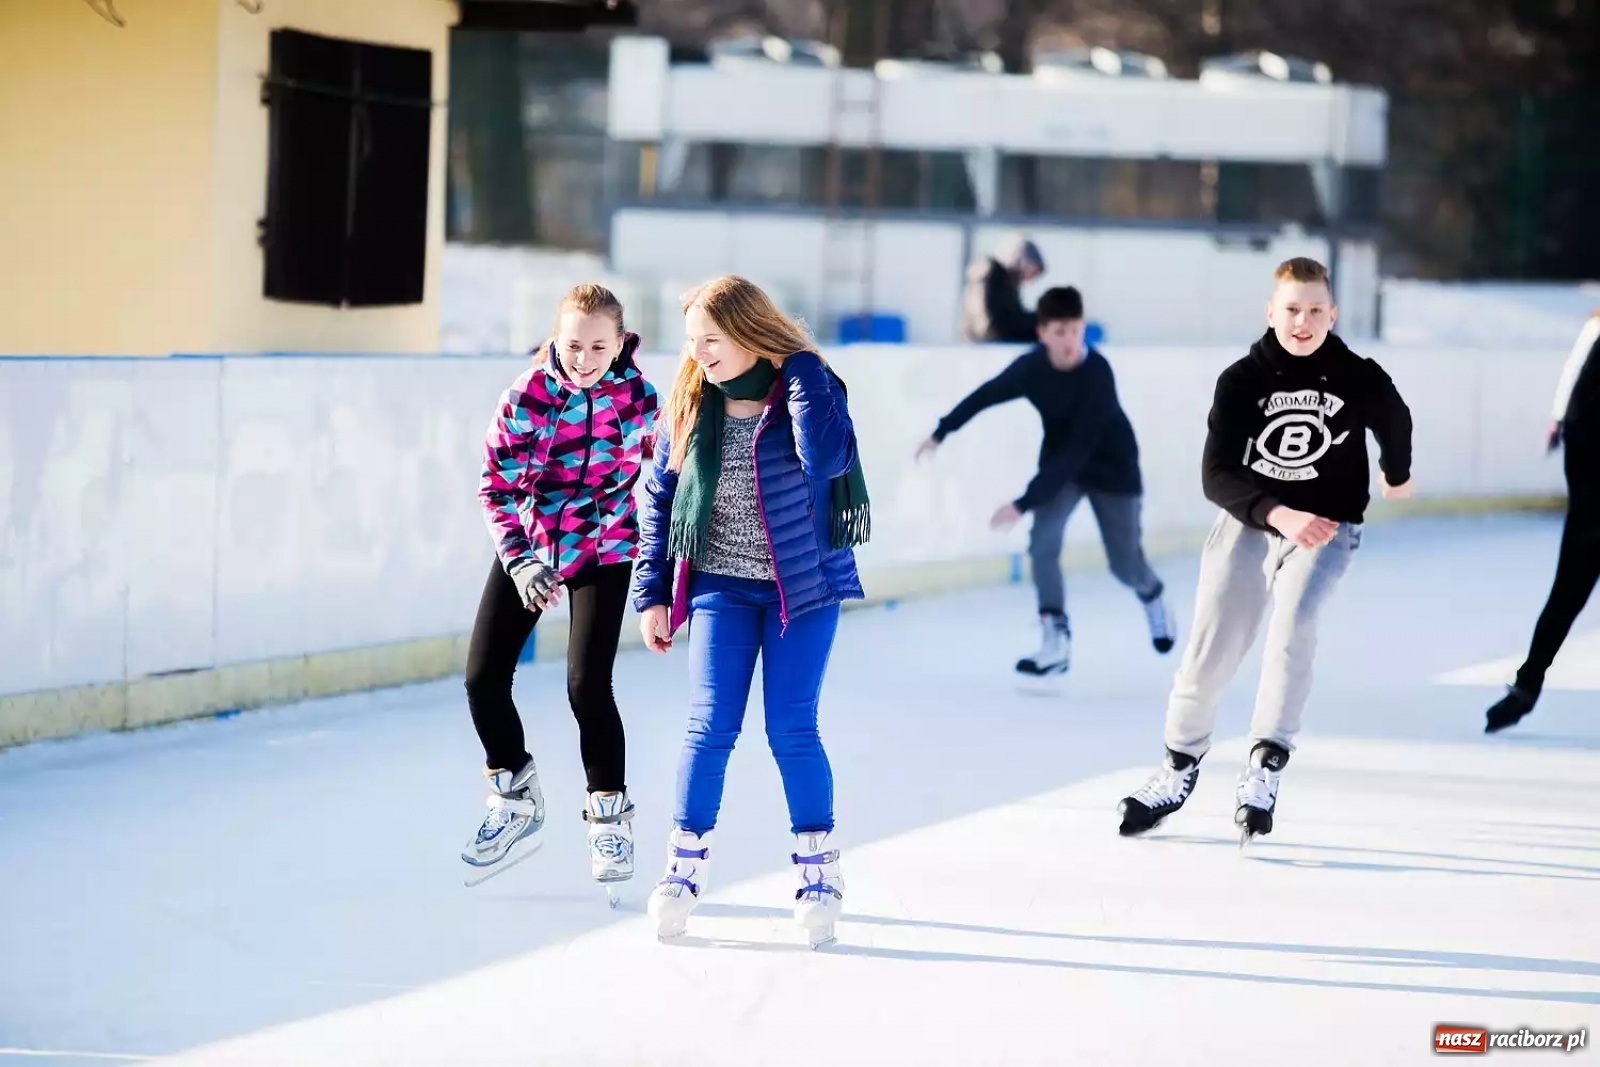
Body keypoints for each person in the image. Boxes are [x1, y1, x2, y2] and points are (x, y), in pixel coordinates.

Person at [1116, 257, 1414, 844]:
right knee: (1211, 646)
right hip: (1250, 522)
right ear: (1271, 313)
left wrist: (1396, 472)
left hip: (1327, 527)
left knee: (1293, 625)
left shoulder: (1358, 374)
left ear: (1332, 313)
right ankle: (1179, 764)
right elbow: (1216, 475)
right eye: (1291, 310)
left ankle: (1266, 763)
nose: (1302, 322)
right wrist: (1279, 514)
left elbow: (1395, 418)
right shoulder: (1241, 381)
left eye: (1314, 310)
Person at [633, 275, 869, 947]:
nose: (699, 354)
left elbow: (826, 459)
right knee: (709, 725)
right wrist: (651, 593)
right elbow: (659, 499)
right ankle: (682, 866)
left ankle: (818, 869)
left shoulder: (811, 389)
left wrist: (798, 365)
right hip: (722, 588)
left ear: (749, 333)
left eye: (712, 339)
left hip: (803, 587)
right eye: (691, 341)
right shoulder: (688, 403)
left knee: (791, 727)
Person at [460, 283, 660, 893]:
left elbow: (673, 466)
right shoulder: (527, 396)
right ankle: (515, 792)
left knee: (586, 684)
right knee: (482, 678)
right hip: (534, 545)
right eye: (573, 344)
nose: (584, 357)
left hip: (605, 546)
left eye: (599, 345)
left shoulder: (639, 398)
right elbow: (495, 487)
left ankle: (609, 817)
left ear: (621, 342)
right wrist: (521, 562)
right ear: (556, 339)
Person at [917, 285, 1175, 676]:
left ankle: (1152, 594)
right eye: (1059, 331)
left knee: (1124, 565)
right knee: (1043, 542)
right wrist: (942, 431)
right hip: (1061, 466)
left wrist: (1022, 503)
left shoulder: (1098, 375)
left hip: (1112, 468)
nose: (1069, 341)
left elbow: (1078, 452)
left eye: (1075, 330)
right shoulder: (1031, 368)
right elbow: (986, 395)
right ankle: (1055, 639)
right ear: (1042, 333)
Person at [1484, 310, 1600, 732]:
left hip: (1589, 501)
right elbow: (1576, 387)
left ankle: (1526, 686)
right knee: (1568, 592)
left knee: (1567, 593)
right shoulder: (1596, 330)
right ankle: (1526, 684)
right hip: (1591, 503)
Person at [960, 235, 1045, 343]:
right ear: (1020, 263)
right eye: (1031, 271)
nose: (1030, 279)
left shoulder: (1006, 282)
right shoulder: (992, 276)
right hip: (986, 347)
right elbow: (992, 327)